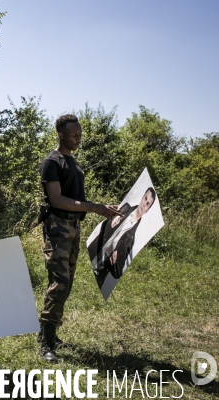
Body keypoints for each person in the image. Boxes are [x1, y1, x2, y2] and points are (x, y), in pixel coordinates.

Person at [37, 114, 123, 363]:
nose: (78, 138)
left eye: (80, 134)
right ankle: (46, 343)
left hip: (73, 228)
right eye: (74, 134)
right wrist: (94, 207)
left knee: (66, 282)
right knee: (59, 282)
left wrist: (101, 209)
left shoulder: (72, 162)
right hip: (58, 229)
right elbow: (57, 200)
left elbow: (75, 200)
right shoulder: (52, 162)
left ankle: (50, 332)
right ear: (61, 134)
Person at [89, 187, 156, 287]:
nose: (144, 204)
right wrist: (112, 220)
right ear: (142, 197)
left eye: (148, 204)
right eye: (145, 198)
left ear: (147, 210)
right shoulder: (125, 208)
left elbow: (117, 273)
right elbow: (104, 224)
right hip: (92, 253)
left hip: (100, 272)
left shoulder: (132, 238)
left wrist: (115, 262)